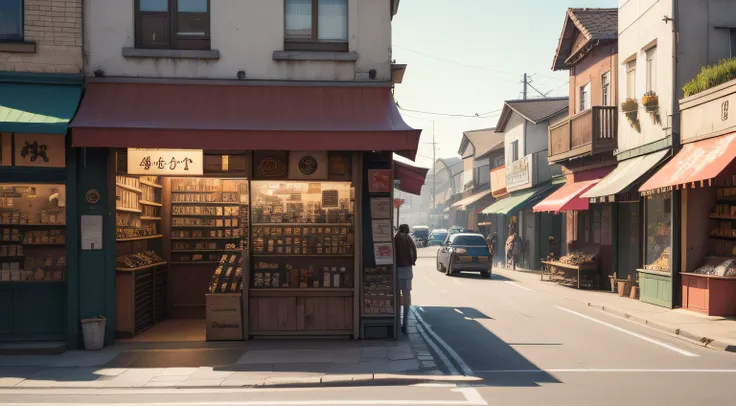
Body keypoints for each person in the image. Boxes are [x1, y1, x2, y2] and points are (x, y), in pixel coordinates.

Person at [394, 223, 417, 334]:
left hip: (398, 270)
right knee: (407, 296)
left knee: (397, 295)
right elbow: (414, 254)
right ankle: (405, 324)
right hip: (407, 270)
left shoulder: (396, 238)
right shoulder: (408, 239)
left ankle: (397, 320)